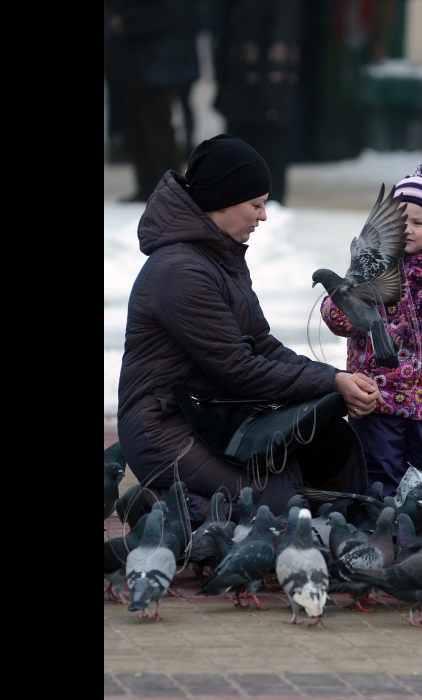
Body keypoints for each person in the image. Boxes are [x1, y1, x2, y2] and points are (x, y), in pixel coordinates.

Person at [117, 134, 383, 522]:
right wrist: (328, 384)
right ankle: (158, 506)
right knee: (277, 507)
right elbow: (238, 368)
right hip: (164, 424)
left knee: (328, 441)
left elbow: (261, 344)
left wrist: (335, 378)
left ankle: (345, 526)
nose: (264, 215)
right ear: (222, 200)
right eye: (256, 204)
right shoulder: (179, 271)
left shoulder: (220, 255)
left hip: (214, 413)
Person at [320, 164, 422, 498]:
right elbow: (337, 319)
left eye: (418, 223)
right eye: (400, 221)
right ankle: (380, 522)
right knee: (378, 469)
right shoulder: (369, 266)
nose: (407, 229)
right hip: (377, 396)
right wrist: (349, 294)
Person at [104, 0, 200, 202]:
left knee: (158, 129)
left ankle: (172, 191)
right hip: (137, 62)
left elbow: (170, 12)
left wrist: (126, 23)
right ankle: (148, 186)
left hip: (158, 61)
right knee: (137, 127)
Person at [211, 0, 302, 204]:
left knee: (268, 150)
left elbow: (283, 33)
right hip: (239, 84)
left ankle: (267, 205)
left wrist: (273, 90)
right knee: (238, 150)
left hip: (266, 88)